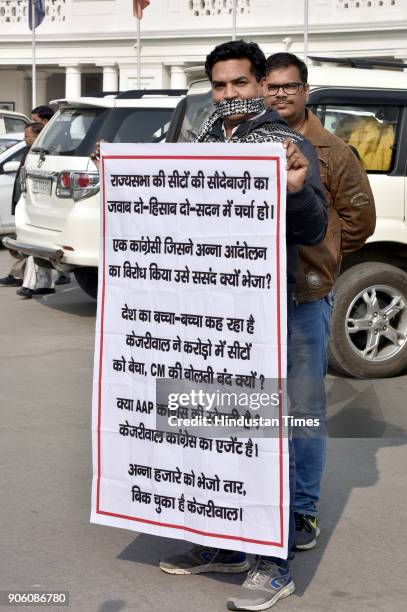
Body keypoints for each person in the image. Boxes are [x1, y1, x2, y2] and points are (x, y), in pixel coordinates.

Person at [158, 40, 328, 611]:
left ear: (261, 84)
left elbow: (313, 228)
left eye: (239, 84)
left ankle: (273, 563)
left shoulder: (285, 144)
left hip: (260, 314)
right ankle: (221, 545)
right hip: (204, 318)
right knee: (207, 429)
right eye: (219, 85)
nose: (228, 94)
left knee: (263, 436)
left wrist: (298, 192)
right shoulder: (199, 141)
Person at [263, 53, 375, 550]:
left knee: (304, 411)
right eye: (273, 87)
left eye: (290, 87)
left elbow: (361, 221)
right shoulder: (249, 142)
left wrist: (322, 250)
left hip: (305, 298)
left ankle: (303, 510)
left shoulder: (332, 151)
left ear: (306, 91)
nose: (281, 95)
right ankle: (255, 504)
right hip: (253, 300)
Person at [0, 121, 44, 288]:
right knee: (21, 240)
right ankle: (19, 276)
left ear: (38, 136)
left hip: (32, 205)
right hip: (23, 203)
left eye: (27, 136)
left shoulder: (42, 153)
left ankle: (29, 281)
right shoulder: (28, 151)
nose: (25, 139)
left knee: (29, 242)